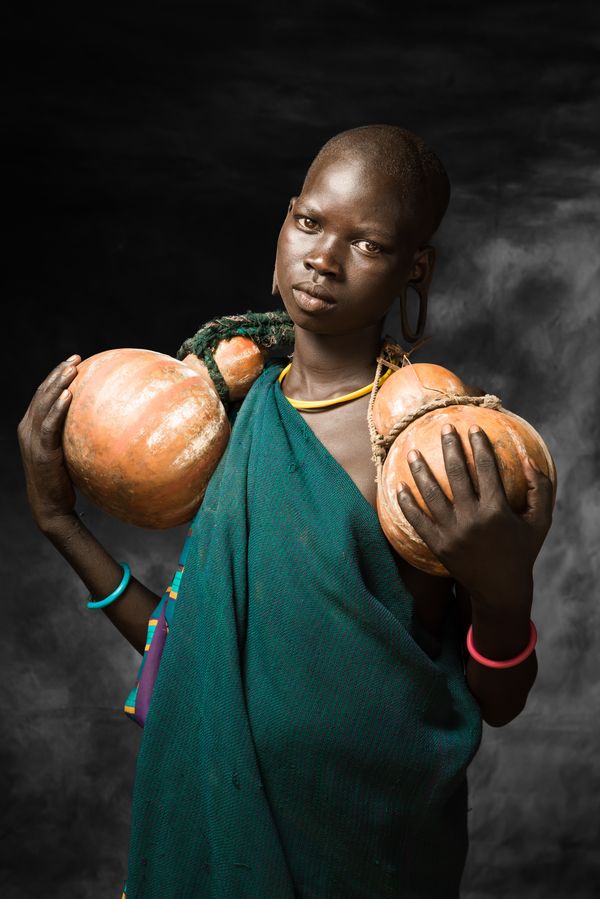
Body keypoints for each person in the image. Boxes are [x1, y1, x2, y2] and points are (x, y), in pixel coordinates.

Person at [17, 124, 554, 898]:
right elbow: (194, 665)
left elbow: (498, 700)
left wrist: (506, 592)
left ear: (416, 269)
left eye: (367, 244)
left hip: (365, 852)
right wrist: (60, 523)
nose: (324, 259)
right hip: (217, 835)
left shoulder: (429, 444)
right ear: (285, 221)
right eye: (310, 222)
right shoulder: (233, 427)